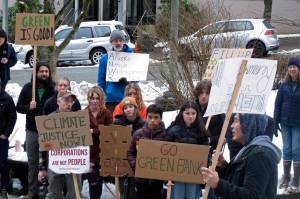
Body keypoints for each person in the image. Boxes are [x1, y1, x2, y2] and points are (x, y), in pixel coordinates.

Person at [201, 113, 281, 199]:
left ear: (248, 124)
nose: (232, 126)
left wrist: (218, 184)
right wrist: (223, 166)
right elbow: (238, 181)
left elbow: (251, 196)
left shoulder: (260, 155)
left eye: (236, 121)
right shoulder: (248, 150)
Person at [16, 62, 55, 199]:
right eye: (41, 71)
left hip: (49, 131)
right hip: (32, 130)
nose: (44, 74)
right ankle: (32, 191)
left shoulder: (53, 89)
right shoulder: (28, 88)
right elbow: (18, 107)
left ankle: (50, 191)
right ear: (36, 73)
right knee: (32, 163)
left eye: (46, 71)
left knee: (50, 162)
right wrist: (29, 107)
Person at [38, 90, 81, 199]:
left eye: (71, 101)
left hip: (73, 161)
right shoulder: (49, 120)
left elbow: (83, 144)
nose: (69, 103)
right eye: (66, 100)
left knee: (74, 193)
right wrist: (42, 167)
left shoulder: (78, 119)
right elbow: (42, 146)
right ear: (58, 101)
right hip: (55, 162)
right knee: (54, 193)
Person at [165, 101, 209, 199]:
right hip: (176, 175)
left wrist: (206, 170)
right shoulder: (173, 130)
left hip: (194, 174)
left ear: (197, 115)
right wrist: (166, 175)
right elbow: (165, 152)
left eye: (193, 113)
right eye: (187, 113)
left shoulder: (201, 132)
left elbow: (206, 154)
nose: (190, 116)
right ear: (182, 114)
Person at [127, 104, 165, 199]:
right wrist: (135, 165)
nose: (152, 120)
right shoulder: (138, 134)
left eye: (156, 117)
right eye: (150, 117)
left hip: (158, 181)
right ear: (146, 117)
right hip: (141, 180)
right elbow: (130, 152)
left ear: (161, 119)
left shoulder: (165, 136)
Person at [274, 57, 300, 193]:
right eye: (290, 67)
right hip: (285, 122)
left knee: (296, 149)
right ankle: (286, 176)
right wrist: (275, 121)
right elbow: (278, 103)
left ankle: (296, 178)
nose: (292, 69)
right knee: (287, 149)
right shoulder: (283, 85)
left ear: (299, 69)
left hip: (298, 123)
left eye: (295, 67)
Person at [113, 96, 145, 199]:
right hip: (122, 161)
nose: (128, 110)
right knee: (123, 192)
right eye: (125, 108)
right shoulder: (117, 123)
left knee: (134, 192)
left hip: (137, 162)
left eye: (130, 106)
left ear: (135, 108)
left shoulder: (143, 124)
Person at [85, 86, 112, 199]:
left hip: (102, 152)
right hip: (89, 153)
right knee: (93, 183)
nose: (95, 100)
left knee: (99, 182)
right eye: (92, 98)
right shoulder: (83, 113)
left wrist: (94, 131)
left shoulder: (106, 113)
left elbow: (110, 131)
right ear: (89, 99)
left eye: (97, 98)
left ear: (101, 99)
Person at [97, 29, 133, 112]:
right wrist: (101, 98)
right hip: (110, 98)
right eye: (115, 41)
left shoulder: (131, 56)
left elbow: (137, 78)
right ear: (111, 42)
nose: (118, 43)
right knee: (112, 123)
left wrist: (129, 82)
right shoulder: (105, 59)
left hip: (127, 96)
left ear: (124, 42)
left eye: (120, 40)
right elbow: (101, 81)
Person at [193, 80, 224, 152]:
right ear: (197, 94)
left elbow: (224, 134)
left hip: (212, 151)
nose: (204, 96)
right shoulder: (191, 109)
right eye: (201, 93)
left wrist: (209, 140)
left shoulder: (217, 110)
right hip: (194, 150)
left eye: (207, 93)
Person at [0, 79, 17, 199]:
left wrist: (6, 134)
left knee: (2, 164)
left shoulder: (7, 99)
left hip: (1, 138)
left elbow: (13, 117)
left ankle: (4, 188)